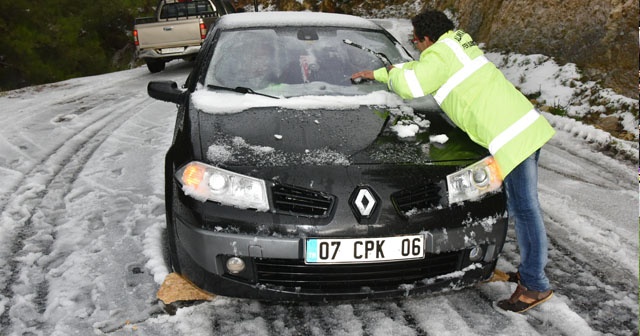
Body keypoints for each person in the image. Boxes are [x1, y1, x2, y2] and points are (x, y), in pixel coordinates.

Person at [351, 10, 556, 313]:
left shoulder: (440, 54)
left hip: (512, 136)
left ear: (427, 38)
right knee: (519, 206)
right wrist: (381, 73)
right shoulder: (455, 44)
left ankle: (535, 285)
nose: (416, 46)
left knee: (526, 210)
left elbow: (410, 86)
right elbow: (421, 70)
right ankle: (530, 273)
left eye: (416, 40)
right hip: (521, 127)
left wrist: (388, 74)